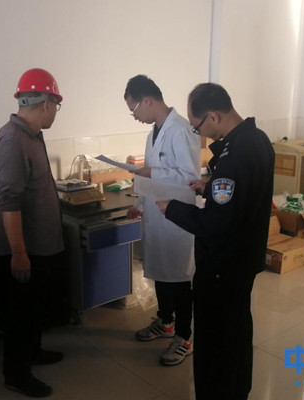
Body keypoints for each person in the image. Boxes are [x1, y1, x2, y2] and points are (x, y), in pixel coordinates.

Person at [156, 83, 275, 399]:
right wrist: (208, 188)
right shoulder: (257, 139)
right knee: (236, 332)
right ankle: (237, 389)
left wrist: (172, 209)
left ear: (214, 117)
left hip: (223, 266)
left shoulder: (234, 155)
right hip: (243, 259)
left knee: (216, 341)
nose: (200, 135)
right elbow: (241, 196)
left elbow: (215, 223)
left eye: (198, 128)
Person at [0, 68, 66, 398]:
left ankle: (32, 353)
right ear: (46, 103)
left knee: (34, 307)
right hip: (27, 248)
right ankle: (16, 373)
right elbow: (10, 200)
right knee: (21, 312)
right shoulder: (13, 140)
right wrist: (19, 253)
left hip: (41, 245)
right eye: (56, 106)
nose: (56, 113)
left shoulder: (32, 135)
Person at [124, 75, 201, 366]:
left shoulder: (182, 130)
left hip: (178, 219)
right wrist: (139, 203)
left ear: (147, 101)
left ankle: (184, 337)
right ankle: (165, 322)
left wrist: (151, 174)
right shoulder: (152, 134)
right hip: (157, 216)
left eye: (133, 110)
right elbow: (151, 178)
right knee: (161, 273)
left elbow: (190, 179)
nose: (134, 116)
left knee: (179, 279)